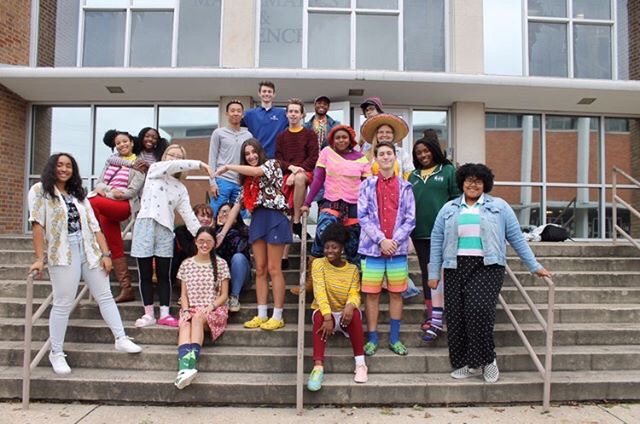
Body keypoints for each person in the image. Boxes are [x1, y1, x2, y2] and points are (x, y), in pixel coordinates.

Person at [428, 163, 552, 383]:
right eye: (468, 180)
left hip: (488, 266)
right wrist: (433, 273)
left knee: (478, 310)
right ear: (462, 183)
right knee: (457, 318)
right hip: (454, 266)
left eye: (478, 181)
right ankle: (469, 364)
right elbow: (437, 240)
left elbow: (515, 237)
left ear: (485, 184)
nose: (472, 184)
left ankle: (488, 359)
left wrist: (535, 266)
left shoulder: (500, 206)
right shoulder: (448, 208)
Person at [28, 153, 142, 375]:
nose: (64, 169)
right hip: (62, 252)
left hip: (88, 250)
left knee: (105, 295)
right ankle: (56, 353)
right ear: (52, 167)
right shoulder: (40, 190)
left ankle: (120, 337)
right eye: (60, 165)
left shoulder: (79, 194)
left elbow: (94, 226)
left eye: (68, 165)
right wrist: (39, 259)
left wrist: (106, 254)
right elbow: (37, 225)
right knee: (63, 302)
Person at [131, 144, 215, 328]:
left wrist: (203, 237)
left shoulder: (180, 189)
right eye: (171, 155)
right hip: (145, 224)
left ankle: (165, 313)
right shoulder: (155, 170)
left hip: (165, 230)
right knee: (145, 273)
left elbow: (189, 217)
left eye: (179, 156)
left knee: (164, 274)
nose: (174, 159)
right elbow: (170, 167)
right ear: (164, 156)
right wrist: (200, 164)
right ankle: (148, 314)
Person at [214, 139, 292, 331]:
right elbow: (235, 208)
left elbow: (258, 171)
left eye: (253, 152)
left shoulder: (271, 164)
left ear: (260, 152)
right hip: (257, 221)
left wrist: (228, 167)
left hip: (274, 218)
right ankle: (262, 313)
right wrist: (222, 233)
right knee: (260, 269)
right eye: (247, 154)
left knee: (274, 269)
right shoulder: (246, 183)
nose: (251, 156)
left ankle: (278, 315)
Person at [295, 125, 371, 295]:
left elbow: (367, 188)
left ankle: (354, 286)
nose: (341, 140)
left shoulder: (362, 159)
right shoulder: (327, 153)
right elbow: (318, 179)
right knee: (322, 232)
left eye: (344, 137)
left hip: (354, 207)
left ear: (351, 139)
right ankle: (312, 281)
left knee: (353, 247)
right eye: (337, 138)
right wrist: (307, 203)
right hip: (331, 203)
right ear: (332, 140)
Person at [358, 141, 416, 357]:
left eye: (388, 153)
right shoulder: (367, 185)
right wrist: (382, 240)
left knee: (396, 294)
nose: (384, 157)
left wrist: (394, 241)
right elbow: (362, 216)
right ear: (375, 158)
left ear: (394, 157)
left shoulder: (405, 187)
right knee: (371, 295)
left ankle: (394, 338)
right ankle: (372, 338)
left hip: (397, 251)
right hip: (372, 249)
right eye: (380, 153)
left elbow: (410, 219)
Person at [407, 133, 461, 342]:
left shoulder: (448, 171)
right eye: (419, 153)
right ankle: (432, 314)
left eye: (426, 151)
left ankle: (448, 312)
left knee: (445, 273)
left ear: (434, 150)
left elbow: (457, 199)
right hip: (420, 233)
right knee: (428, 274)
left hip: (444, 233)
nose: (423, 155)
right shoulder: (412, 175)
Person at [306, 222, 368, 392]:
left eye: (334, 247)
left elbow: (355, 293)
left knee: (355, 313)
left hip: (345, 315)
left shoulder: (353, 269)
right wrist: (327, 317)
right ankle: (318, 367)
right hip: (326, 314)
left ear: (341, 248)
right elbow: (319, 292)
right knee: (318, 316)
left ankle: (360, 364)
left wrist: (350, 305)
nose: (329, 251)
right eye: (326, 247)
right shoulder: (318, 264)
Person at [89, 130, 145, 303]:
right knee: (115, 246)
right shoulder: (110, 162)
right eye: (118, 143)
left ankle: (92, 237)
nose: (122, 145)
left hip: (122, 206)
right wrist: (108, 191)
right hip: (107, 204)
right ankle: (126, 289)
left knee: (91, 201)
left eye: (125, 141)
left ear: (132, 143)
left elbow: (131, 191)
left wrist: (108, 193)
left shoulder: (139, 164)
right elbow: (98, 183)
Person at [174, 226, 229, 389]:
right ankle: (184, 369)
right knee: (185, 323)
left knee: (197, 317)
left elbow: (224, 295)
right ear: (195, 242)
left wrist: (210, 307)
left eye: (208, 242)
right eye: (201, 241)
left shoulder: (221, 264)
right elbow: (184, 295)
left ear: (214, 243)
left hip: (214, 310)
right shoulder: (186, 264)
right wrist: (184, 310)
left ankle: (189, 364)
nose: (204, 245)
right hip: (191, 308)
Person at [275, 98, 319, 242]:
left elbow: (313, 157)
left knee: (299, 178)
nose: (293, 114)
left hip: (305, 173)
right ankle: (284, 255)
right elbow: (279, 160)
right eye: (291, 111)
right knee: (284, 209)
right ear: (286, 114)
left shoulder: (309, 134)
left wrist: (298, 171)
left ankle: (296, 221)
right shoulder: (281, 136)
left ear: (302, 115)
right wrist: (292, 169)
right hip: (288, 174)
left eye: (296, 111)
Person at [208, 100, 254, 217]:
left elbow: (250, 161)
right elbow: (212, 158)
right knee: (215, 214)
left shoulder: (248, 135)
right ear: (226, 113)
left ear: (242, 114)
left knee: (242, 216)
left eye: (239, 111)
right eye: (232, 111)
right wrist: (212, 182)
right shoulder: (218, 133)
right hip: (222, 180)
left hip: (241, 182)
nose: (235, 113)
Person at [214, 202, 251, 312]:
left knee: (238, 257)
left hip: (239, 273)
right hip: (221, 277)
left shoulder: (244, 231)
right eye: (222, 212)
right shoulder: (213, 233)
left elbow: (239, 248)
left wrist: (226, 233)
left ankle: (234, 297)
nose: (224, 214)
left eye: (227, 212)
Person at [170, 204, 214, 291]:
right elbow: (192, 252)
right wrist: (203, 233)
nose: (206, 219)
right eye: (202, 215)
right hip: (184, 270)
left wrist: (209, 233)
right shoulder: (181, 231)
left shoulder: (214, 233)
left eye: (208, 216)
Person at [240, 81, 288, 159]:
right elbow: (235, 124)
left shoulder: (283, 114)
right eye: (264, 91)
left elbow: (295, 124)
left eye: (269, 92)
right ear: (259, 93)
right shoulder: (249, 114)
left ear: (274, 94)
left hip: (275, 158)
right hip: (255, 157)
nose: (267, 94)